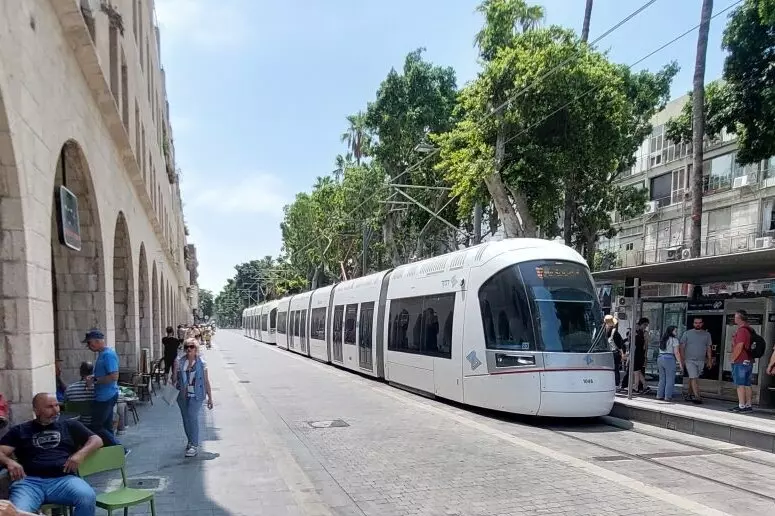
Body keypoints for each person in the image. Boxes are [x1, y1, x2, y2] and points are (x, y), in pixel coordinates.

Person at [0, 393, 101, 516]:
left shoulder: (69, 425)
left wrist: (80, 454)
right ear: (36, 410)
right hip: (29, 483)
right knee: (16, 512)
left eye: (57, 405)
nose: (55, 410)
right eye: (49, 407)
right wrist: (9, 461)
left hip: (64, 480)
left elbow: (96, 440)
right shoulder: (20, 430)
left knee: (87, 496)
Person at [82, 329, 123, 450]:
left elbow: (113, 376)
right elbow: (104, 374)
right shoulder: (102, 354)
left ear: (97, 341)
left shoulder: (108, 355)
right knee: (106, 426)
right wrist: (94, 377)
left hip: (105, 396)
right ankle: (111, 452)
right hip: (104, 394)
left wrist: (95, 380)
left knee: (96, 426)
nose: (88, 346)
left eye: (90, 343)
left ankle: (119, 449)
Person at [173, 338, 214, 457]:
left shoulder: (201, 363)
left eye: (191, 347)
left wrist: (210, 398)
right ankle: (190, 441)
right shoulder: (180, 361)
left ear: (196, 349)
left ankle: (194, 445)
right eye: (187, 347)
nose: (189, 349)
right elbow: (174, 380)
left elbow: (206, 381)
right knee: (186, 419)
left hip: (197, 394)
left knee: (192, 416)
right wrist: (175, 369)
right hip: (183, 395)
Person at [679, 317, 713, 404]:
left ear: (702, 323)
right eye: (696, 323)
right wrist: (682, 359)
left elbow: (709, 347)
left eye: (699, 323)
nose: (697, 324)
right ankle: (697, 396)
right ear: (693, 323)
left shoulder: (707, 334)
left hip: (701, 360)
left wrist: (709, 360)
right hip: (689, 360)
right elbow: (682, 347)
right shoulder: (687, 333)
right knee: (694, 377)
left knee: (693, 377)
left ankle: (689, 394)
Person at [730, 310, 754, 413]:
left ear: (739, 319)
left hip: (740, 360)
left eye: (735, 317)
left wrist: (733, 359)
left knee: (740, 384)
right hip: (749, 360)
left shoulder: (741, 331)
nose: (734, 319)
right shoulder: (750, 329)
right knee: (747, 384)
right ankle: (748, 405)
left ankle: (742, 406)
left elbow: (739, 346)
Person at [63, 362, 95, 426]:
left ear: (80, 373)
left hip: (76, 425)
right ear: (93, 372)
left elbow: (65, 403)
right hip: (95, 424)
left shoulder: (69, 389)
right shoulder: (98, 389)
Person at [656, 326, 682, 401]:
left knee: (662, 378)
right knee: (670, 378)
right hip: (669, 358)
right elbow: (676, 352)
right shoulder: (674, 340)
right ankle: (668, 396)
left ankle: (659, 395)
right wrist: (680, 363)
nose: (676, 333)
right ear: (671, 332)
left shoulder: (663, 339)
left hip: (660, 358)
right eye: (675, 331)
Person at [603, 315, 625, 388]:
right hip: (615, 353)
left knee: (608, 370)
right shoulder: (614, 332)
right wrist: (622, 354)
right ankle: (616, 384)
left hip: (606, 353)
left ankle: (608, 383)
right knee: (615, 369)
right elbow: (620, 344)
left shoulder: (602, 331)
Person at [633, 318, 650, 394]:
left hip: (639, 354)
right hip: (636, 353)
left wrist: (645, 356)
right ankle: (641, 386)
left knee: (637, 371)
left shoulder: (644, 333)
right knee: (637, 371)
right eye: (644, 325)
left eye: (646, 325)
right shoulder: (635, 332)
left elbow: (646, 346)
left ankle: (638, 387)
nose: (645, 326)